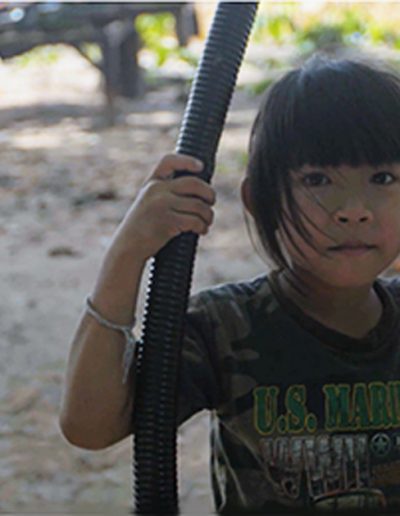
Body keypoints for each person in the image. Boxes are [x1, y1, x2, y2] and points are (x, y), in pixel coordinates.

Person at [60, 52, 400, 513]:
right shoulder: (226, 326)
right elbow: (89, 426)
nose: (354, 209)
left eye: (382, 177)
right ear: (258, 200)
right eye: (317, 179)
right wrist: (127, 253)